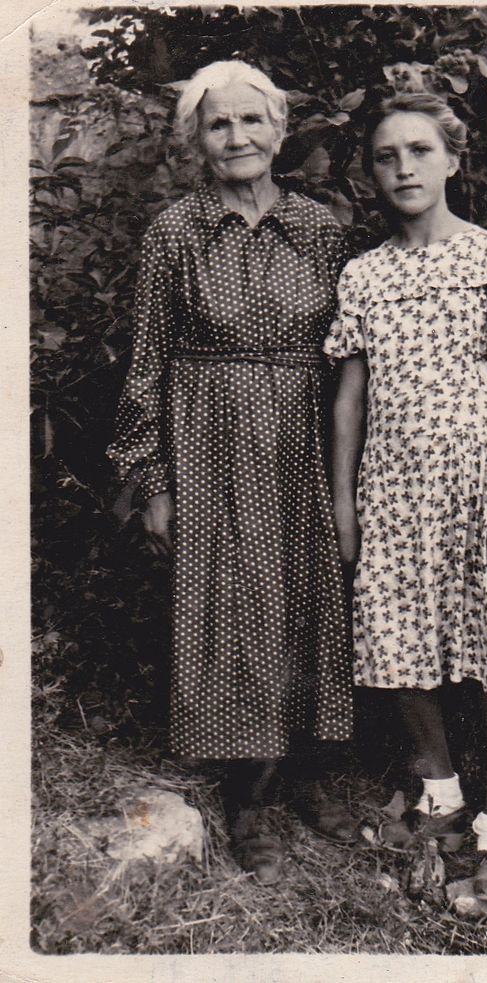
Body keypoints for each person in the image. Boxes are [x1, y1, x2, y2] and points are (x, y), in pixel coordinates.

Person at [108, 60, 357, 886]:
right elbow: (147, 362)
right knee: (233, 604)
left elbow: (349, 356)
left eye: (252, 120)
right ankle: (249, 794)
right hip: (209, 439)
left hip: (304, 436)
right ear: (197, 140)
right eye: (219, 124)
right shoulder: (175, 232)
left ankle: (309, 770)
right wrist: (152, 478)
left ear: (280, 131)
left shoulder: (319, 228)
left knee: (311, 594)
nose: (237, 136)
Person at [325, 92, 487, 899]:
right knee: (394, 642)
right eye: (386, 156)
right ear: (371, 173)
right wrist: (345, 502)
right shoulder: (364, 274)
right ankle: (441, 792)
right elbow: (349, 399)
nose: (404, 168)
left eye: (420, 150)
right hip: (391, 493)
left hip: (478, 493)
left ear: (453, 160)